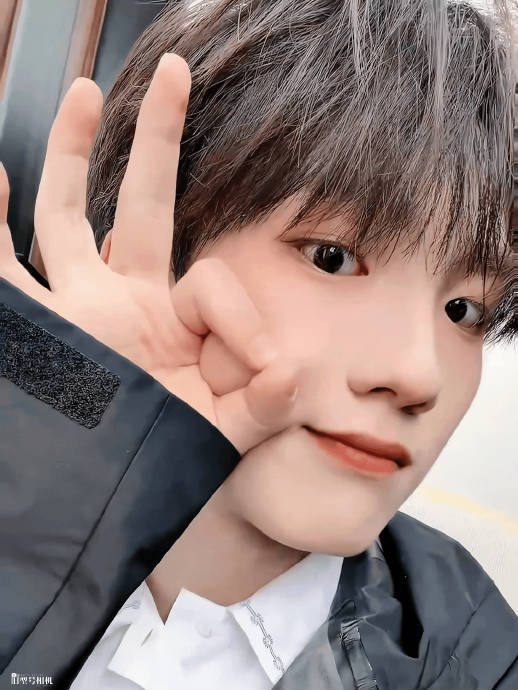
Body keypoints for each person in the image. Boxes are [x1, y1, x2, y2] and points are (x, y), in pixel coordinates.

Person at [0, 0, 517, 688]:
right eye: (332, 257)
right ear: (152, 249)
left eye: (464, 310)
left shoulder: (484, 664)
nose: (418, 373)